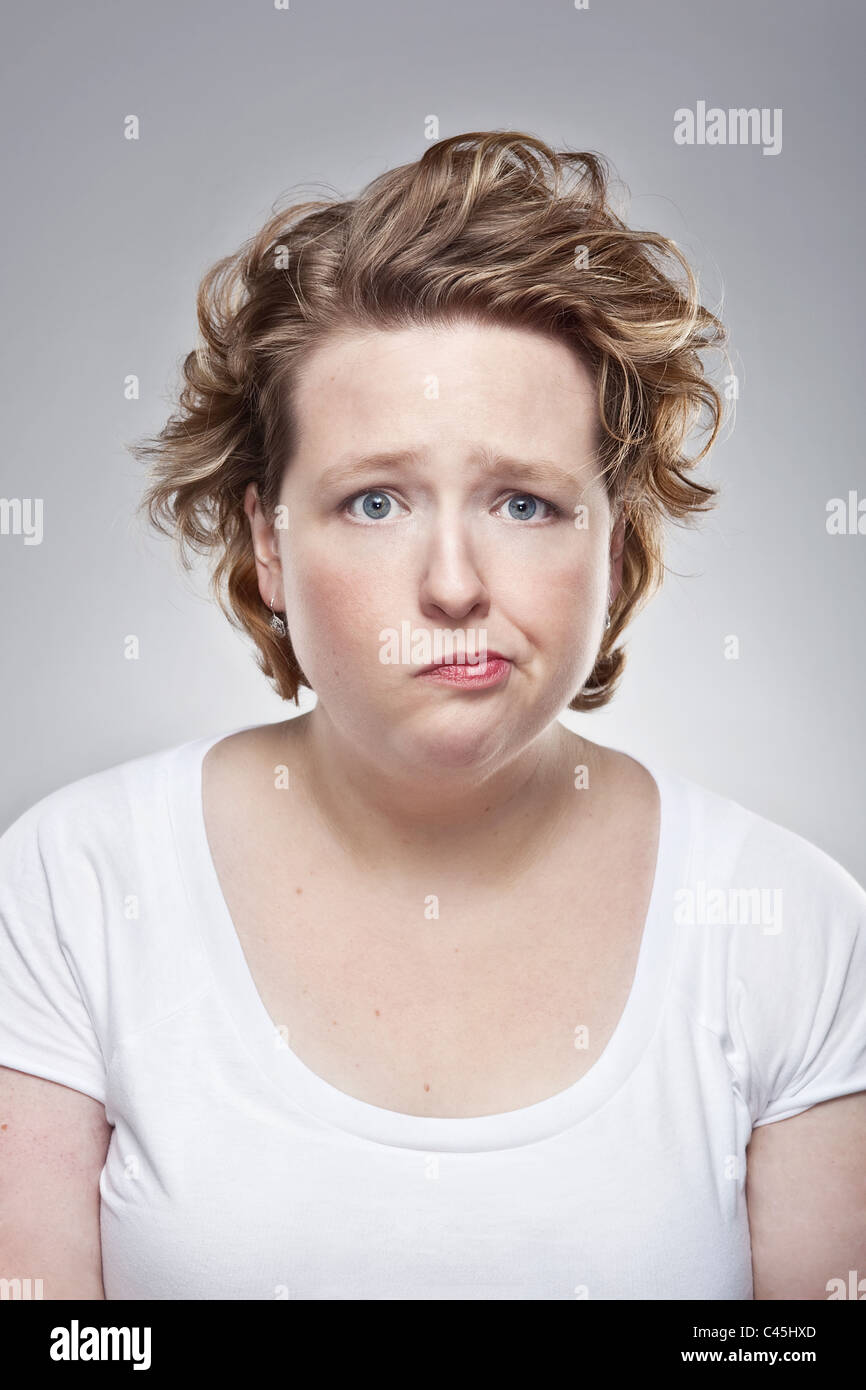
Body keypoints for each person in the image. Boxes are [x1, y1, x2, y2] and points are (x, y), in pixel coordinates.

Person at [1, 131, 864, 1301]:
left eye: (523, 500)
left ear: (610, 541)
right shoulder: (70, 887)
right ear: (266, 540)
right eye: (373, 500)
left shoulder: (789, 925)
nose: (453, 582)